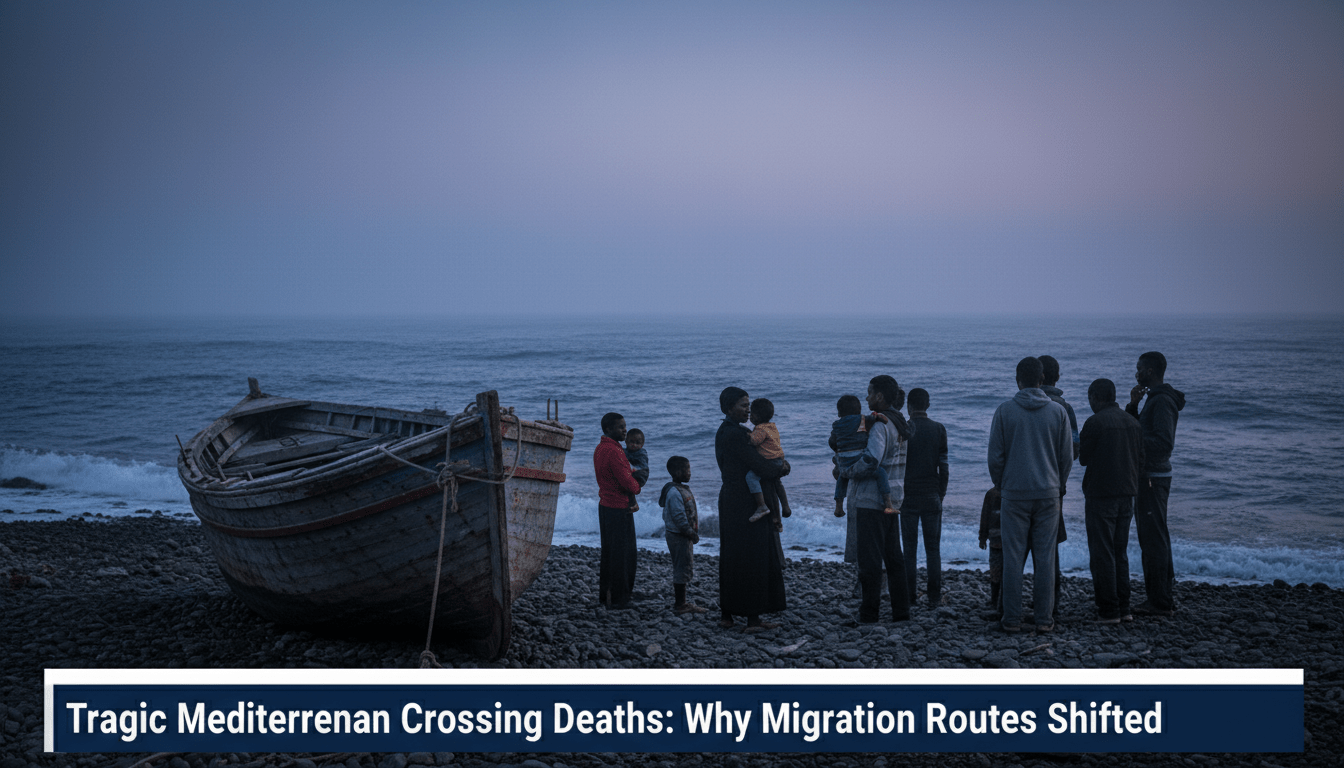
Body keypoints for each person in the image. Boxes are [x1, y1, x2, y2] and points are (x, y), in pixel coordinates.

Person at [988, 357, 1073, 634]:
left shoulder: (1004, 411)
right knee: (1045, 558)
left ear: (1017, 380)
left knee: (1013, 557)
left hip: (1014, 493)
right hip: (1048, 493)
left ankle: (1011, 619)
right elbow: (1066, 457)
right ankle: (1043, 619)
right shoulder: (1057, 412)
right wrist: (1058, 484)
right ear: (1042, 379)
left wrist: (1000, 484)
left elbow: (995, 457)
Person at [715, 387, 790, 633]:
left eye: (748, 405)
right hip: (745, 501)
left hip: (731, 498)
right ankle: (753, 619)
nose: (748, 409)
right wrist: (781, 468)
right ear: (728, 408)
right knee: (753, 557)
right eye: (742, 405)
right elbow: (761, 466)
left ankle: (728, 614)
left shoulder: (726, 432)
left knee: (732, 555)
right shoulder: (737, 435)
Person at [845, 375, 913, 624]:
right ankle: (901, 612)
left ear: (880, 397)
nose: (866, 397)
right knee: (894, 557)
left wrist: (848, 471)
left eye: (870, 392)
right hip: (893, 498)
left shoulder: (881, 426)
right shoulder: (901, 423)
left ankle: (869, 613)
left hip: (872, 499)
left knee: (870, 560)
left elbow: (872, 459)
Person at [1125, 351, 1186, 616]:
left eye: (1139, 369)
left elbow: (1163, 442)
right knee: (1155, 536)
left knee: (1153, 539)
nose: (1136, 373)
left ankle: (1159, 601)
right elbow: (1145, 430)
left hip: (1153, 477)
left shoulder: (1162, 402)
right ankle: (1162, 596)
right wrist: (1133, 407)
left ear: (1149, 371)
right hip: (1150, 476)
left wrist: (1133, 443)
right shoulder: (1154, 399)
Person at [1079, 378, 1144, 624]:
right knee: (1120, 551)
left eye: (1090, 398)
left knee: (1102, 552)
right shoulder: (1132, 422)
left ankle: (1109, 609)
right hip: (1127, 494)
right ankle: (1124, 606)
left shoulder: (1095, 423)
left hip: (1100, 494)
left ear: (1096, 397)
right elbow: (1141, 459)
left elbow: (1083, 458)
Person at [1038, 355, 1079, 616]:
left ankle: (1006, 604)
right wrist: (1060, 480)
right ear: (1058, 377)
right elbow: (1074, 450)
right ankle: (1050, 604)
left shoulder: (1013, 406)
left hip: (1018, 489)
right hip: (1053, 487)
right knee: (1049, 547)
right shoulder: (1064, 408)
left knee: (1015, 547)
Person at [901, 387, 949, 608]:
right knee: (933, 549)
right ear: (927, 405)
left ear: (908, 406)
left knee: (909, 549)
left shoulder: (905, 429)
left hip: (908, 495)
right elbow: (944, 467)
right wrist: (941, 493)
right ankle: (934, 596)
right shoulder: (939, 429)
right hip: (931, 494)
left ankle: (909, 596)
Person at [593, 412, 641, 610]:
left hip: (606, 504)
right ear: (608, 430)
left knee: (610, 553)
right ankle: (620, 598)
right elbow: (626, 481)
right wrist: (637, 486)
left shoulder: (600, 448)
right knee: (623, 554)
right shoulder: (614, 451)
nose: (625, 430)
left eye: (625, 425)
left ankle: (607, 595)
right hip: (618, 507)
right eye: (620, 427)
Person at [830, 394, 897, 517]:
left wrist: (840, 450)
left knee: (842, 477)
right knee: (881, 472)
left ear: (839, 413)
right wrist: (879, 417)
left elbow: (832, 442)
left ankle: (838, 506)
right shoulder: (862, 419)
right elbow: (881, 419)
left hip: (844, 464)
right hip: (860, 462)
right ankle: (888, 503)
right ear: (859, 411)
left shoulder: (836, 425)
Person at [660, 455, 707, 614]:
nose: (689, 473)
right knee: (682, 567)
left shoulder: (678, 489)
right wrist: (689, 532)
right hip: (678, 535)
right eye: (686, 470)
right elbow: (679, 517)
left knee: (683, 565)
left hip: (680, 534)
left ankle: (681, 602)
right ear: (676, 472)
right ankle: (681, 604)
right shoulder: (674, 492)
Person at [744, 398, 794, 526]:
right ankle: (785, 507)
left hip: (769, 462)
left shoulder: (760, 429)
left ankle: (761, 506)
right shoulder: (773, 427)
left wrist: (747, 435)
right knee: (777, 483)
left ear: (755, 416)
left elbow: (754, 441)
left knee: (750, 477)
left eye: (751, 414)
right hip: (778, 460)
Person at [978, 487, 1005, 620]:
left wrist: (982, 537)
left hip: (996, 539)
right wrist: (982, 536)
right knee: (1003, 570)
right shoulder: (1010, 491)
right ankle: (999, 601)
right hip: (1009, 540)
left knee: (995, 570)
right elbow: (985, 516)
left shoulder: (991, 493)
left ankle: (996, 601)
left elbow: (985, 516)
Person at [623, 428, 649, 513]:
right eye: (631, 442)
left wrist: (635, 468)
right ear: (626, 441)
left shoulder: (641, 453)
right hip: (632, 472)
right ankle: (631, 503)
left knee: (628, 485)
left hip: (641, 474)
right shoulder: (624, 451)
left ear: (642, 444)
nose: (634, 444)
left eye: (637, 443)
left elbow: (644, 466)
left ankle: (633, 504)